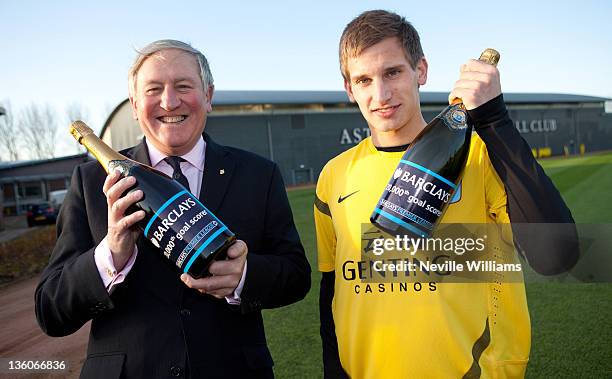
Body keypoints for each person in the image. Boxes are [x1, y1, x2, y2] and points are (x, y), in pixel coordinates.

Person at [314, 10, 579, 378]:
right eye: (363, 80)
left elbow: (556, 255)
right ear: (349, 88)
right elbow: (333, 289)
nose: (380, 94)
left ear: (420, 71)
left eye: (393, 72)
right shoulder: (334, 175)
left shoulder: (480, 155)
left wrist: (494, 121)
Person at [35, 39, 311, 379]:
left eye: (184, 86)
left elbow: (297, 276)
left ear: (208, 96)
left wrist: (244, 276)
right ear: (135, 105)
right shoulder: (91, 181)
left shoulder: (258, 173)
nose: (169, 101)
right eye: (153, 90)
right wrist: (111, 253)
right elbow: (50, 311)